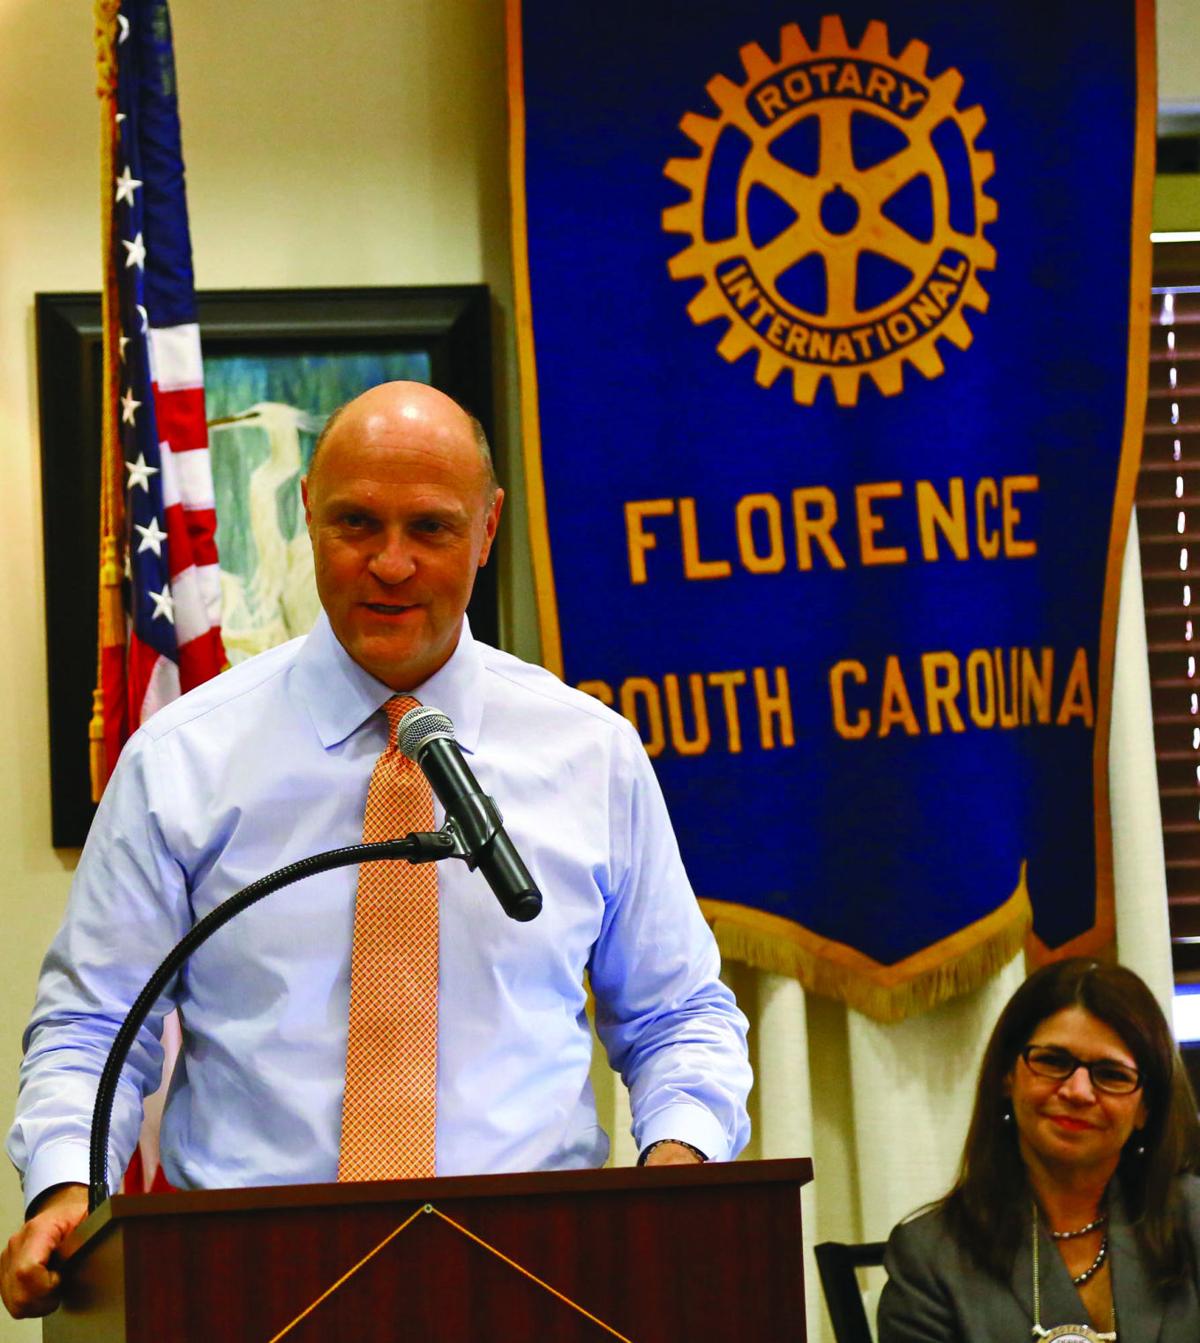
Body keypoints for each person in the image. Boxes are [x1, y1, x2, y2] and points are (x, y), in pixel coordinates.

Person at [2, 382, 752, 1318]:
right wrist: (67, 1184)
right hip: (249, 1282)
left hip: (537, 1274)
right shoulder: (183, 760)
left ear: (487, 531)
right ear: (308, 509)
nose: (389, 564)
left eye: (430, 529)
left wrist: (676, 1169)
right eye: (356, 521)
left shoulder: (590, 753)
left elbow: (678, 1014)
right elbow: (95, 1023)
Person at [878, 958, 1200, 1341]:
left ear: (1146, 1109)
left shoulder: (1193, 1220)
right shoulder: (929, 1257)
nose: (1078, 1091)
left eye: (1111, 1074)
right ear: (1006, 1077)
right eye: (1053, 1061)